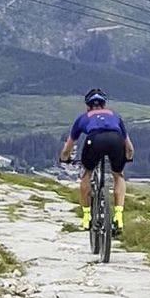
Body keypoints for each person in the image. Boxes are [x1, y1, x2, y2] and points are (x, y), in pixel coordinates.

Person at [59, 88, 134, 235]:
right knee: (118, 176)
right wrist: (128, 157)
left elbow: (68, 146)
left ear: (88, 106)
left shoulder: (83, 118)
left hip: (94, 140)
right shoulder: (115, 116)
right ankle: (118, 216)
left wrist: (64, 158)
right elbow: (129, 147)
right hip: (116, 140)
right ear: (104, 105)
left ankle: (87, 217)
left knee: (87, 174)